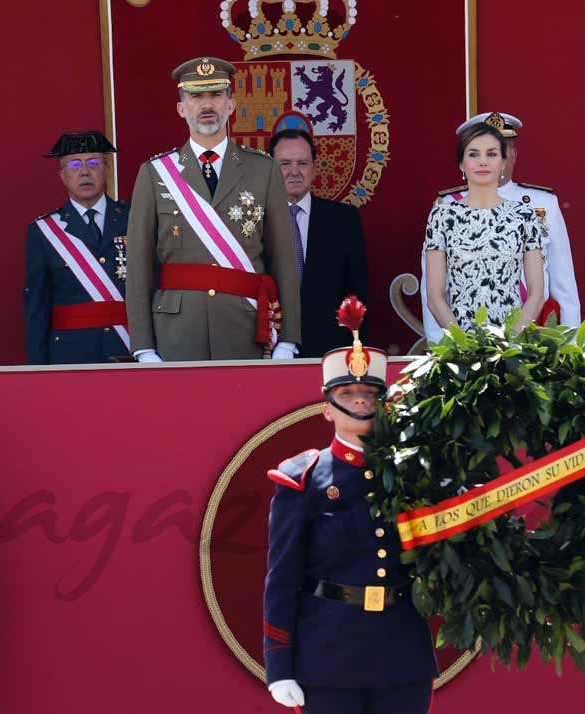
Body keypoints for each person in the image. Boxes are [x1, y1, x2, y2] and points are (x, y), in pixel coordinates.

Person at [263, 297, 438, 713]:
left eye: (369, 392)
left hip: (401, 650)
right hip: (328, 657)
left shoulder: (415, 472)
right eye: (347, 392)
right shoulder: (303, 479)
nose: (360, 399)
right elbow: (282, 578)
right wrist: (279, 665)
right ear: (327, 408)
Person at [125, 56, 301, 362]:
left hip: (245, 331)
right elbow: (139, 265)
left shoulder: (264, 170)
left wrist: (288, 339)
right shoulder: (155, 173)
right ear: (182, 108)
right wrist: (143, 346)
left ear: (230, 104)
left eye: (216, 95)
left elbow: (284, 259)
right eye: (196, 96)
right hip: (176, 333)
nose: (207, 105)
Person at [422, 111, 581, 342]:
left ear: (510, 156)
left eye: (495, 151)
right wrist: (445, 344)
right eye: (474, 153)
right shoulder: (445, 208)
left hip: (528, 336)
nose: (484, 161)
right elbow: (435, 290)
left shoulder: (540, 205)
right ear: (463, 161)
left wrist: (570, 345)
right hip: (461, 338)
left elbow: (563, 282)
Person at [24, 131, 132, 364]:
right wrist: (38, 370)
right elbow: (37, 311)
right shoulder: (44, 231)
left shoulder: (134, 219)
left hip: (127, 349)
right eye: (74, 164)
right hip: (70, 356)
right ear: (62, 175)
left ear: (106, 169)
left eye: (93, 163)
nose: (85, 172)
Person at [268, 128, 368, 358]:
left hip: (331, 352)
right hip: (268, 352)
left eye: (302, 163)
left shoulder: (344, 220)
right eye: (285, 164)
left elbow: (357, 294)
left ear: (314, 168)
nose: (294, 171)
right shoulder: (256, 221)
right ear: (270, 170)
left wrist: (354, 350)